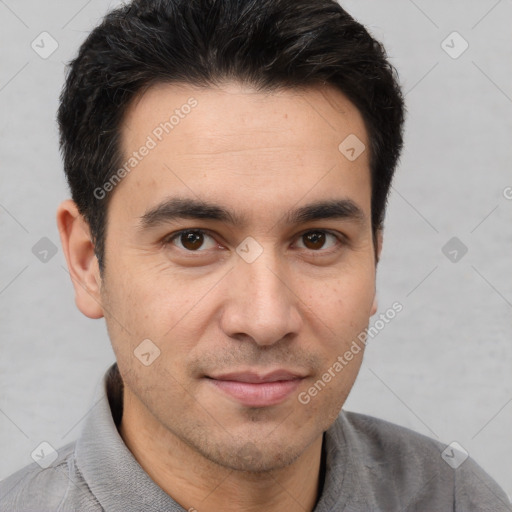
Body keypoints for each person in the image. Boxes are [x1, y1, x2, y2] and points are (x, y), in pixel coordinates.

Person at [1, 0, 510, 510]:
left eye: (317, 239)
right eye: (193, 240)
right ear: (88, 262)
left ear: (375, 253)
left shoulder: (459, 499)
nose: (266, 320)